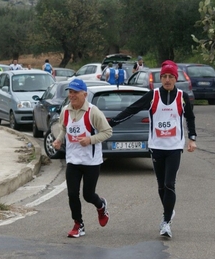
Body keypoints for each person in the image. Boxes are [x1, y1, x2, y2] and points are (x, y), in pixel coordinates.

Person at [108, 60, 197, 238]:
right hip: (156, 147)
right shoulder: (153, 95)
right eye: (164, 76)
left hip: (174, 147)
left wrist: (192, 138)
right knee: (161, 186)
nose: (167, 80)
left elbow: (190, 118)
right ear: (160, 79)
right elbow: (133, 109)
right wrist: (112, 123)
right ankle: (168, 211)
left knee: (169, 184)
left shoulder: (182, 97)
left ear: (175, 78)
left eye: (170, 76)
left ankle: (166, 222)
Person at [52, 79, 113, 238]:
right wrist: (59, 140)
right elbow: (64, 128)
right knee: (72, 194)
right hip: (73, 159)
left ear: (84, 94)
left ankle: (101, 205)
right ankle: (78, 224)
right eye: (70, 92)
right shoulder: (65, 111)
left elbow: (107, 132)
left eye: (75, 92)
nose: (71, 96)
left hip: (91, 161)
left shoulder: (93, 112)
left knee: (88, 195)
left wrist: (90, 140)